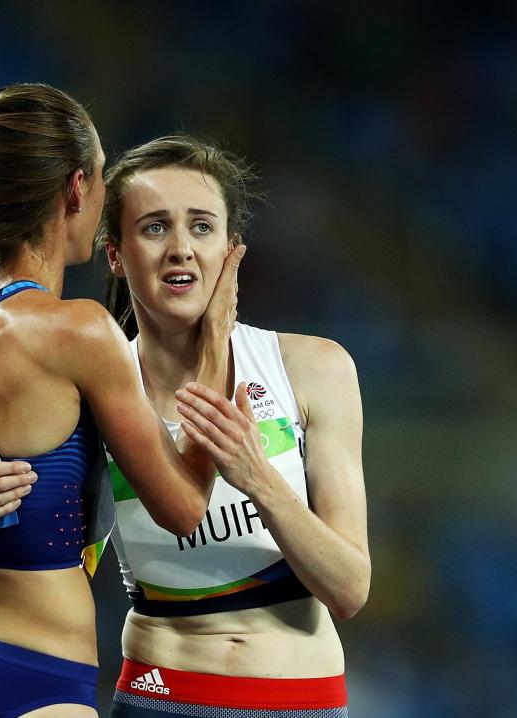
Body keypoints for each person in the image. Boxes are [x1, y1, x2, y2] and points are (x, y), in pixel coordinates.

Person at [0, 85, 242, 718]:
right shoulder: (77, 331)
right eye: (102, 179)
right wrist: (214, 339)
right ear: (77, 188)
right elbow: (184, 509)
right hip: (33, 686)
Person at [97, 135, 370, 717]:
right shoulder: (92, 391)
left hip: (299, 699)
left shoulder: (314, 369)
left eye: (201, 226)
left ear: (231, 249)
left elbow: (348, 589)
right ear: (115, 255)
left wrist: (258, 477)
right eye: (153, 227)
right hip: (158, 696)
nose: (180, 249)